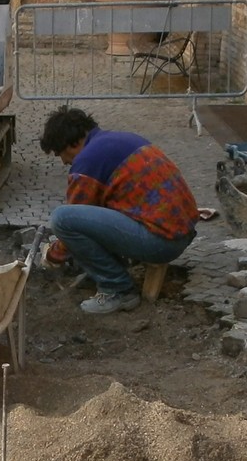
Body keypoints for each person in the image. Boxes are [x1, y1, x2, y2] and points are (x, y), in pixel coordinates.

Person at [38, 105, 204, 314]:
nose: (64, 161)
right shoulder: (121, 139)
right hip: (181, 232)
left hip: (162, 242)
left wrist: (53, 256)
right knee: (87, 215)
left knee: (62, 219)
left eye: (60, 153)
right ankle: (110, 271)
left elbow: (77, 214)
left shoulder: (88, 160)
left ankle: (117, 289)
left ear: (71, 143)